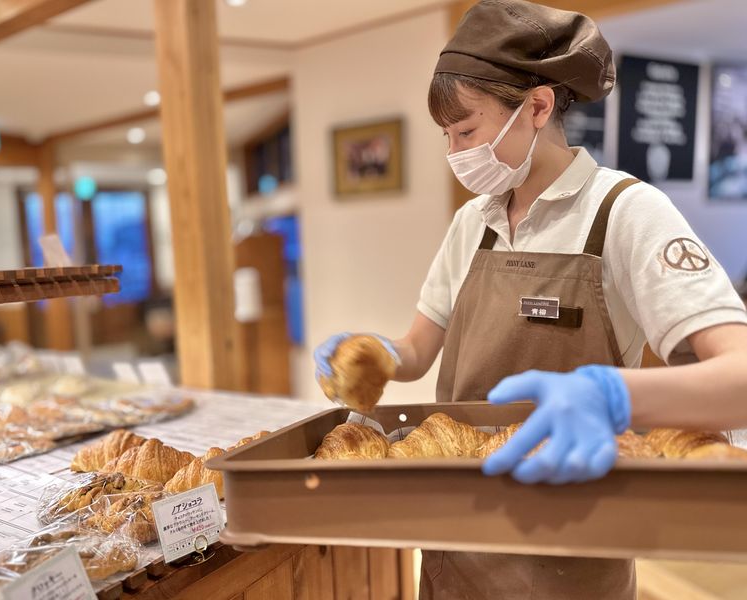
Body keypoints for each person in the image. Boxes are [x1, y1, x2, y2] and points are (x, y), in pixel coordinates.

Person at [314, 1, 747, 598]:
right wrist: (375, 353)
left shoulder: (623, 212)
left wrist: (610, 396)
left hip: (572, 541)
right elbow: (418, 349)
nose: (455, 152)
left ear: (538, 106)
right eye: (447, 136)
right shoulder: (474, 222)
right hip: (456, 542)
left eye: (466, 130)